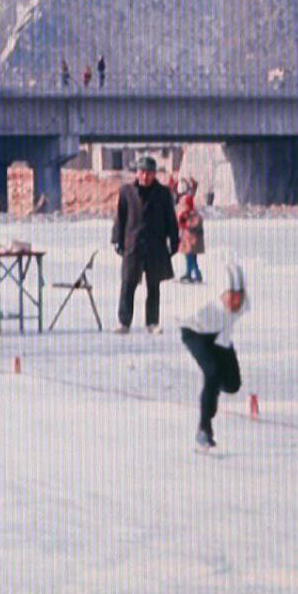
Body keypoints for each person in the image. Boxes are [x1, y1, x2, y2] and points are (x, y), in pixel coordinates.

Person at [180, 264, 248, 451]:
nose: (235, 303)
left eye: (239, 298)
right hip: (195, 332)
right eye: (231, 298)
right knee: (212, 373)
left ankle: (214, 387)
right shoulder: (203, 308)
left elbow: (228, 323)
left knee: (233, 384)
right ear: (221, 295)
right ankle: (204, 428)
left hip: (219, 333)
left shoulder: (244, 305)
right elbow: (180, 317)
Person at [111, 156, 178, 333]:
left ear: (155, 174)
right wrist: (117, 239)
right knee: (128, 284)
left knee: (153, 286)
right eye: (142, 172)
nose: (145, 176)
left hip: (155, 245)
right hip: (133, 245)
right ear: (137, 173)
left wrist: (174, 241)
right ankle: (124, 322)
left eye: (149, 173)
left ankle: (152, 322)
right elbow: (120, 218)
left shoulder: (163, 193)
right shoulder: (127, 192)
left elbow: (171, 219)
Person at [176, 190, 205, 283]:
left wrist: (184, 223)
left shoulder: (193, 214)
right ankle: (189, 273)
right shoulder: (186, 214)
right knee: (189, 257)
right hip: (188, 241)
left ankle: (197, 274)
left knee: (191, 258)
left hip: (193, 241)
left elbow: (192, 225)